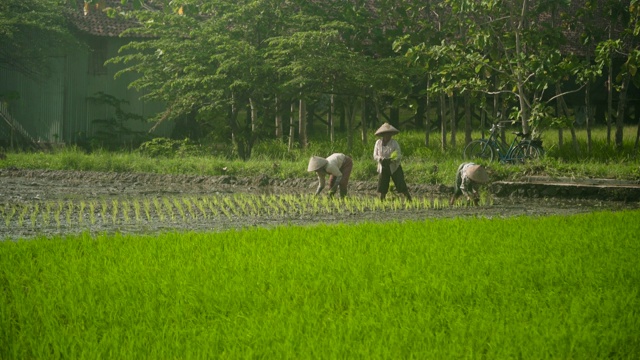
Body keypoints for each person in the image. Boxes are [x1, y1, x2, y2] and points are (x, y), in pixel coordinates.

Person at [373, 123, 412, 201]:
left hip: (394, 166)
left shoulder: (394, 143)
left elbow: (398, 155)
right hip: (383, 166)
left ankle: (408, 198)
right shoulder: (378, 143)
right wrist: (381, 159)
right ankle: (382, 201)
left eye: (389, 134)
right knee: (382, 185)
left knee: (400, 183)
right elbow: (375, 155)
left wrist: (391, 160)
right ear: (383, 135)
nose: (388, 136)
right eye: (386, 134)